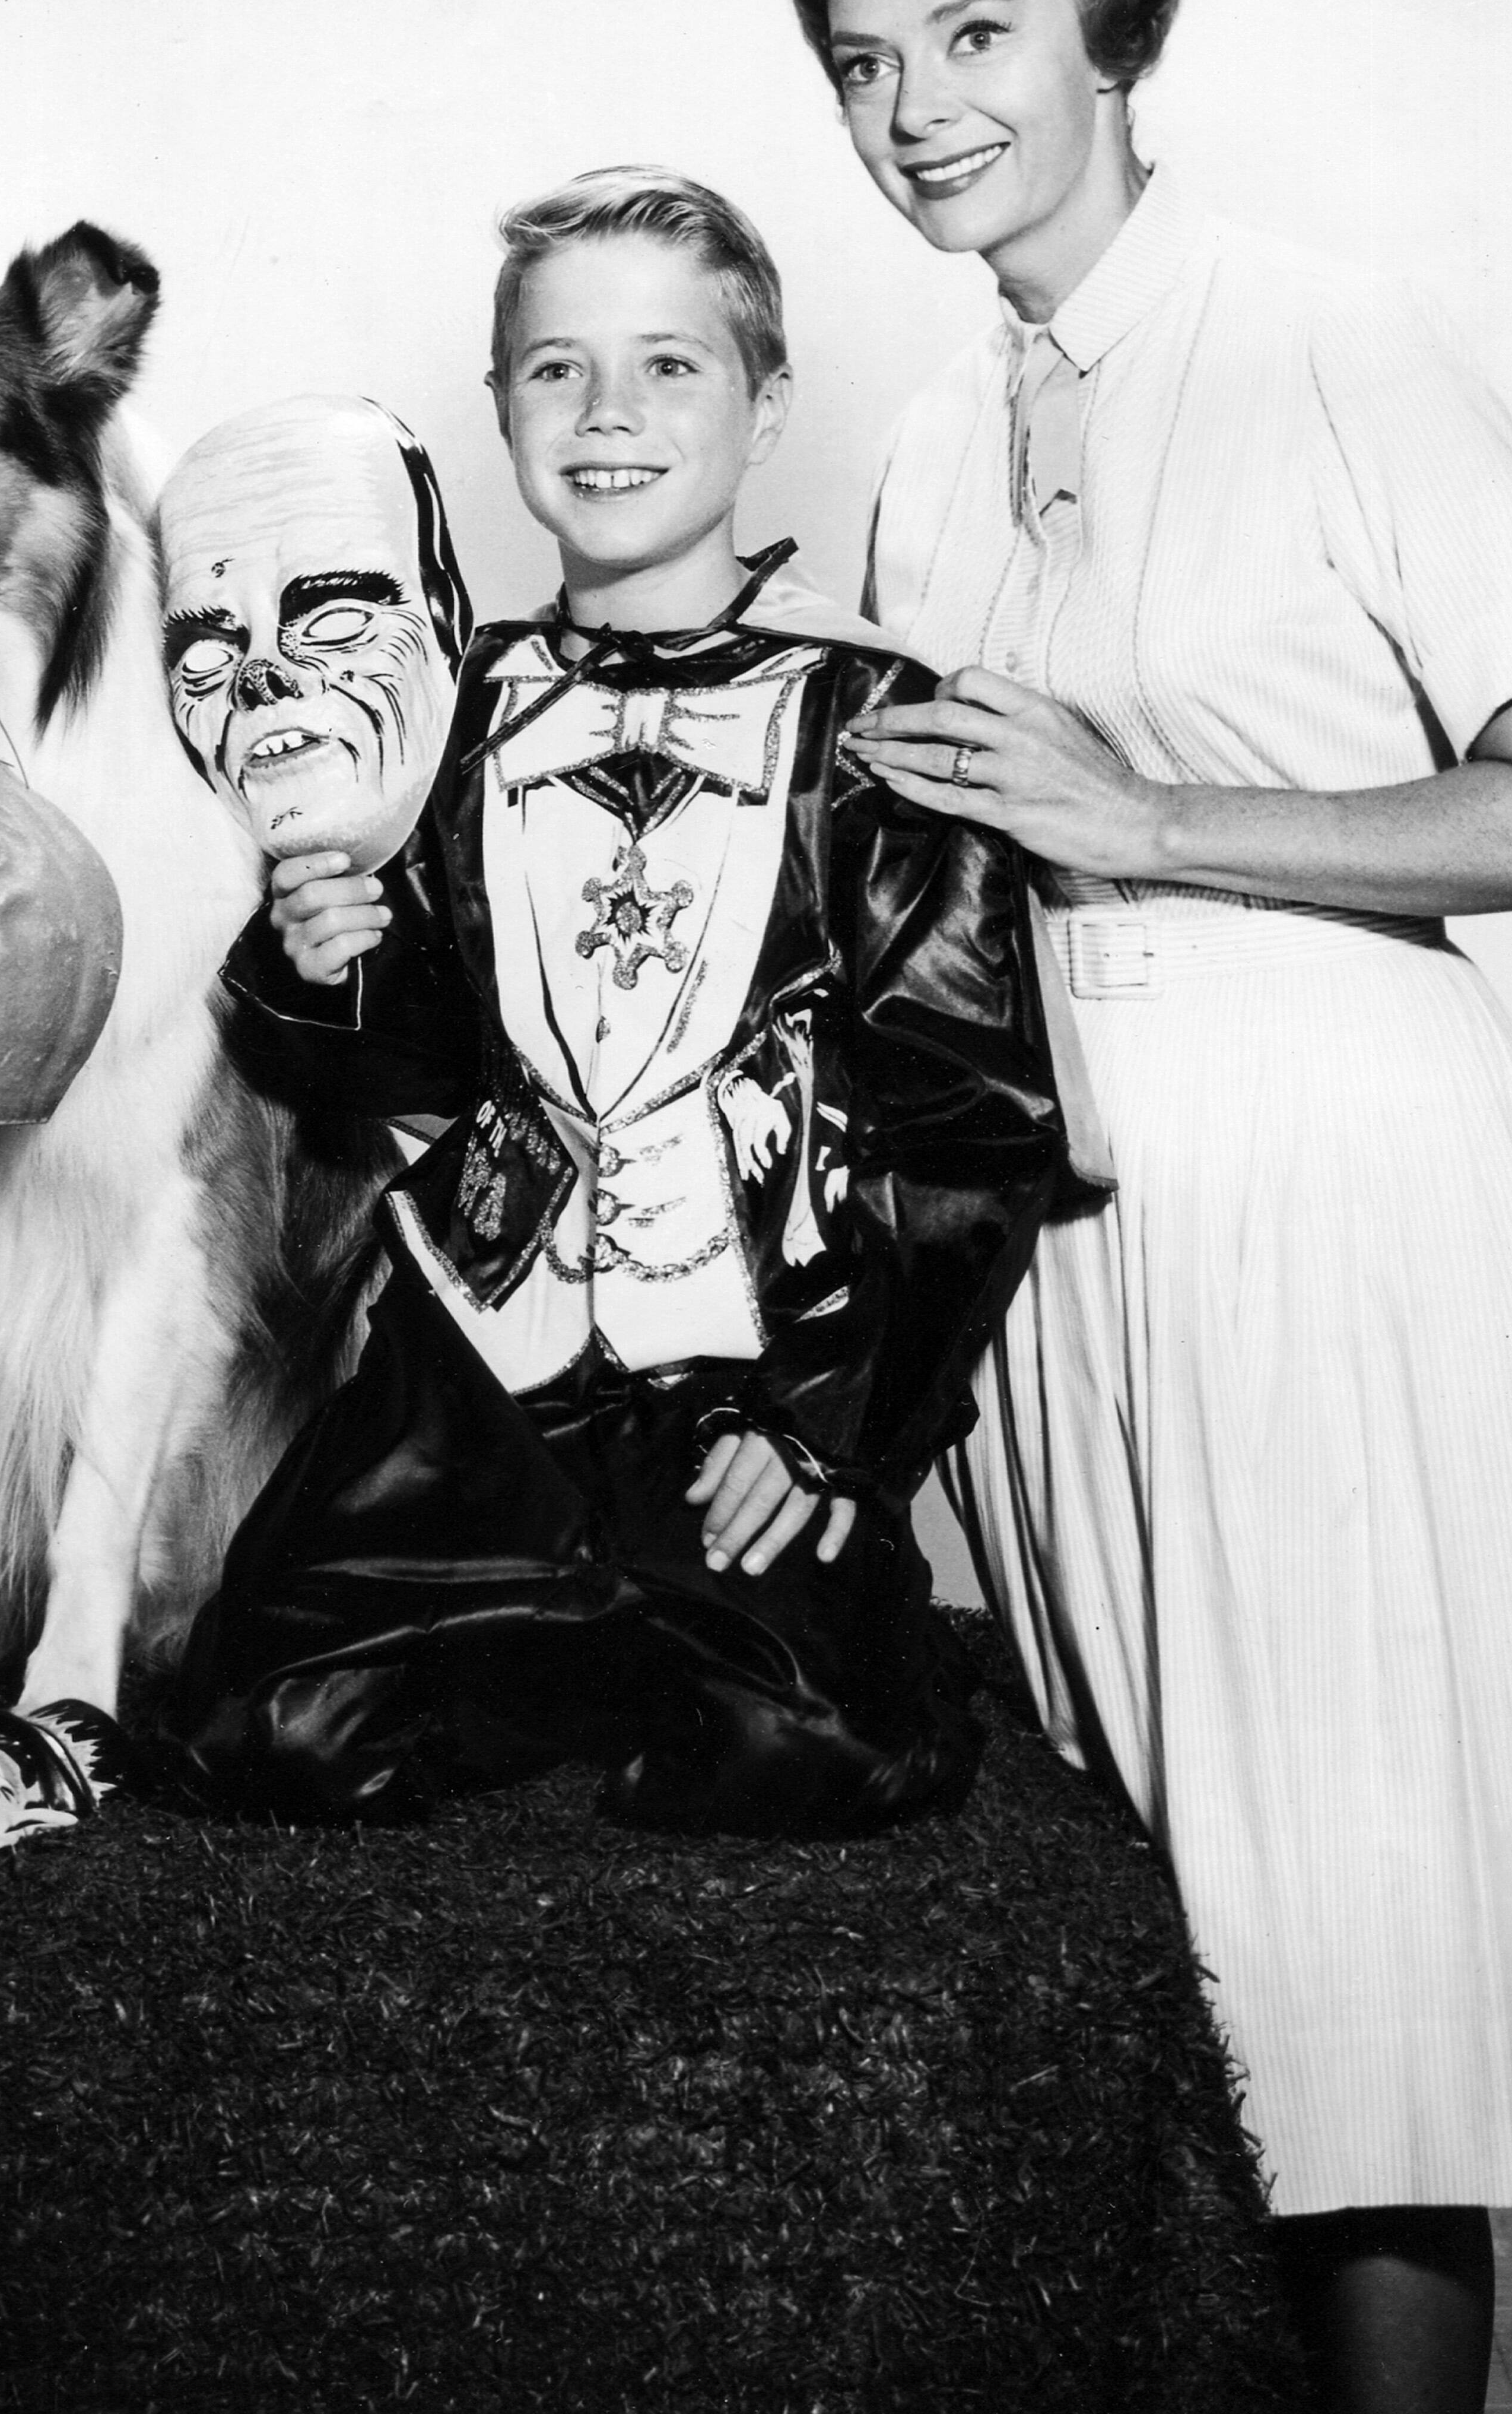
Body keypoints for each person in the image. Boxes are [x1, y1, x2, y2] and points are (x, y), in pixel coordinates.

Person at [773, 0, 1512, 2412]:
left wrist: (1151, 814)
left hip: (1333, 1215)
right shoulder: (931, 441)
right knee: (1156, 1974)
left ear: (1116, 18)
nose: (915, 106)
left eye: (975, 31)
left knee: (1346, 2008)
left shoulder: (1329, 336)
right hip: (1061, 1244)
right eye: (861, 61)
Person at [150, 167, 1069, 1838]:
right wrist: (313, 964)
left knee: (813, 1755)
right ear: (502, 405)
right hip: (475, 1382)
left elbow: (969, 1128)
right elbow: (410, 1064)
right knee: (255, 1734)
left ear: (765, 406)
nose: (607, 413)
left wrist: (831, 1429)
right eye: (557, 369)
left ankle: (669, 1625)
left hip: (743, 1373)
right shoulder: (438, 708)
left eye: (669, 365)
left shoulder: (876, 724)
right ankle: (567, 1631)